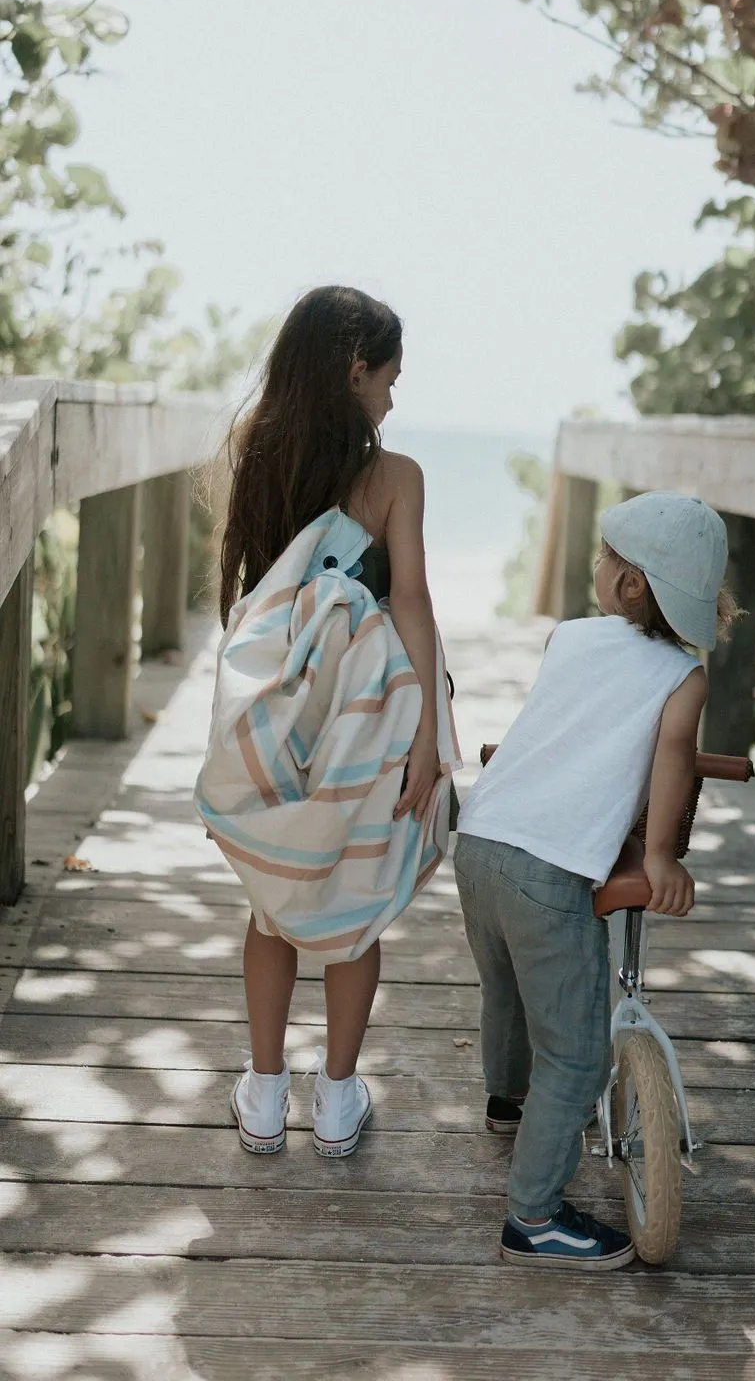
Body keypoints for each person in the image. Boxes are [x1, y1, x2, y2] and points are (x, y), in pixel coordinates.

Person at [196, 286, 459, 1160]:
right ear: (356, 373)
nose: (393, 396)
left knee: (274, 907)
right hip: (368, 719)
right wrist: (432, 739)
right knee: (358, 902)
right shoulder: (398, 478)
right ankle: (338, 1101)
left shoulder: (255, 452)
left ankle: (265, 1095)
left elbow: (250, 601)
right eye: (389, 377)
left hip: (275, 709)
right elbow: (412, 603)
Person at [454, 492, 734, 1270]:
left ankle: (509, 1105)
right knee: (576, 1057)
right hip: (549, 870)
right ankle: (534, 1216)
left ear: (632, 585)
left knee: (505, 987)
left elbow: (571, 721)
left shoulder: (567, 638)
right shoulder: (684, 678)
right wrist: (660, 860)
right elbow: (672, 758)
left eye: (608, 557)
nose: (597, 566)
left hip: (478, 842)